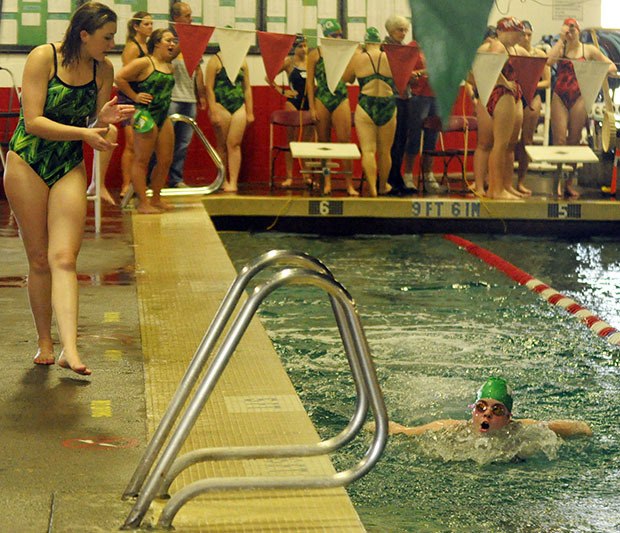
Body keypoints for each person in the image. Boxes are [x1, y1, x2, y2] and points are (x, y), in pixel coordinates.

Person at [3, 2, 134, 375]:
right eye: (106, 38)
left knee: (64, 258)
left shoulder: (103, 69)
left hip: (66, 165)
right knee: (40, 258)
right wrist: (86, 131)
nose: (111, 44)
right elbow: (33, 121)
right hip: (28, 161)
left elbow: (95, 122)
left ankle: (70, 349)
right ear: (84, 34)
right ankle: (45, 341)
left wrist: (103, 121)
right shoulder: (43, 57)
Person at [381, 377, 592, 462]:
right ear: (472, 410)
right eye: (481, 407)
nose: (487, 414)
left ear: (508, 418)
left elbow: (574, 427)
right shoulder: (451, 429)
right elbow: (404, 431)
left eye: (497, 410)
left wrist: (583, 429)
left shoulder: (520, 429)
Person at [547, 18, 617, 198]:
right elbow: (548, 62)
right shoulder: (561, 48)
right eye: (567, 29)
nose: (570, 32)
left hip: (579, 96)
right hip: (560, 96)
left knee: (574, 140)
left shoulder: (589, 50)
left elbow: (610, 65)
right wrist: (561, 39)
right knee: (559, 140)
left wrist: (600, 71)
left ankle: (569, 183)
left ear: (579, 31)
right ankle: (557, 183)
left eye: (573, 29)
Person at [115, 28, 176, 213]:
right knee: (142, 160)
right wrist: (135, 96)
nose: (172, 44)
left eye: (173, 41)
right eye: (168, 40)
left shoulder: (168, 65)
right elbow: (119, 77)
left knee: (165, 159)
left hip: (162, 114)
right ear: (156, 42)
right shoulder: (144, 62)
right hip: (144, 114)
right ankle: (143, 202)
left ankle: (156, 198)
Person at [477, 16, 529, 200]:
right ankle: (495, 189)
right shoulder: (498, 46)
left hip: (506, 95)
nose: (520, 36)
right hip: (501, 95)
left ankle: (501, 187)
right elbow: (485, 68)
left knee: (505, 144)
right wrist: (505, 83)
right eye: (517, 32)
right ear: (505, 31)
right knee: (499, 145)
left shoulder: (510, 48)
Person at [306, 19, 359, 196]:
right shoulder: (315, 54)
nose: (337, 38)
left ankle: (349, 183)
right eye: (333, 35)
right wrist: (312, 107)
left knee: (345, 141)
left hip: (340, 97)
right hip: (322, 98)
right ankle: (326, 181)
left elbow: (351, 79)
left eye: (339, 35)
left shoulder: (344, 53)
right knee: (324, 144)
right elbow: (309, 83)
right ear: (325, 37)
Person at [343, 27, 396, 197]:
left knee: (368, 150)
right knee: (385, 151)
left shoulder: (358, 57)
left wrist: (356, 55)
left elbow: (346, 79)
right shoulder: (391, 57)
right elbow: (401, 81)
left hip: (366, 105)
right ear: (380, 42)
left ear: (365, 43)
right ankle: (382, 186)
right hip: (387, 104)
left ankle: (371, 187)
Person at [205, 37, 254, 193]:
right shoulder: (215, 61)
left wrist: (250, 111)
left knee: (234, 144)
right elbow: (209, 88)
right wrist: (212, 110)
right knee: (222, 145)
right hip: (221, 105)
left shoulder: (242, 61)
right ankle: (223, 179)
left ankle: (233, 181)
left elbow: (247, 88)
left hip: (239, 106)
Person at [167, 2, 207, 189]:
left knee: (183, 144)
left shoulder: (194, 40)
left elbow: (198, 70)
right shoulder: (166, 38)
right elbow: (164, 60)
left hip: (189, 98)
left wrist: (202, 95)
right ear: (176, 19)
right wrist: (182, 43)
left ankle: (176, 179)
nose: (191, 19)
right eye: (187, 16)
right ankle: (152, 179)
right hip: (171, 98)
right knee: (164, 142)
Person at [266, 34, 314, 188]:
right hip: (293, 102)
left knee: (307, 142)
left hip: (309, 103)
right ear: (295, 47)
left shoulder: (311, 63)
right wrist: (282, 91)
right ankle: (289, 176)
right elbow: (269, 77)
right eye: (300, 46)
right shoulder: (288, 63)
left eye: (306, 46)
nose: (304, 49)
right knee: (291, 142)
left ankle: (307, 176)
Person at [401, 29, 446, 194]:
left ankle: (428, 177)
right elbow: (405, 74)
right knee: (414, 137)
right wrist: (423, 73)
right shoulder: (412, 47)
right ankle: (408, 176)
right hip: (419, 97)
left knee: (432, 137)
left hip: (436, 96)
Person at [117, 11, 153, 199]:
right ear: (136, 27)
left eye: (151, 24)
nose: (150, 27)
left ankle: (137, 184)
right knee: (131, 144)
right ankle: (125, 184)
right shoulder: (133, 48)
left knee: (142, 145)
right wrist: (135, 96)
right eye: (146, 24)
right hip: (130, 98)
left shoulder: (149, 47)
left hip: (143, 99)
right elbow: (126, 76)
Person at [515, 20, 551, 196]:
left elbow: (548, 81)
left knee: (526, 140)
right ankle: (506, 180)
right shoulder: (513, 52)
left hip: (532, 96)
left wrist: (531, 84)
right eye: (523, 34)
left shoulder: (539, 54)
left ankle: (521, 180)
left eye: (529, 34)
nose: (526, 37)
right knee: (509, 139)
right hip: (515, 95)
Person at [384, 15, 416, 195]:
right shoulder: (385, 48)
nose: (403, 33)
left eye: (405, 30)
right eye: (400, 30)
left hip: (406, 96)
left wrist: (413, 75)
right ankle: (389, 179)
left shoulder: (404, 49)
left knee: (402, 140)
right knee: (391, 141)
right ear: (390, 30)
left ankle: (397, 177)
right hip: (391, 97)